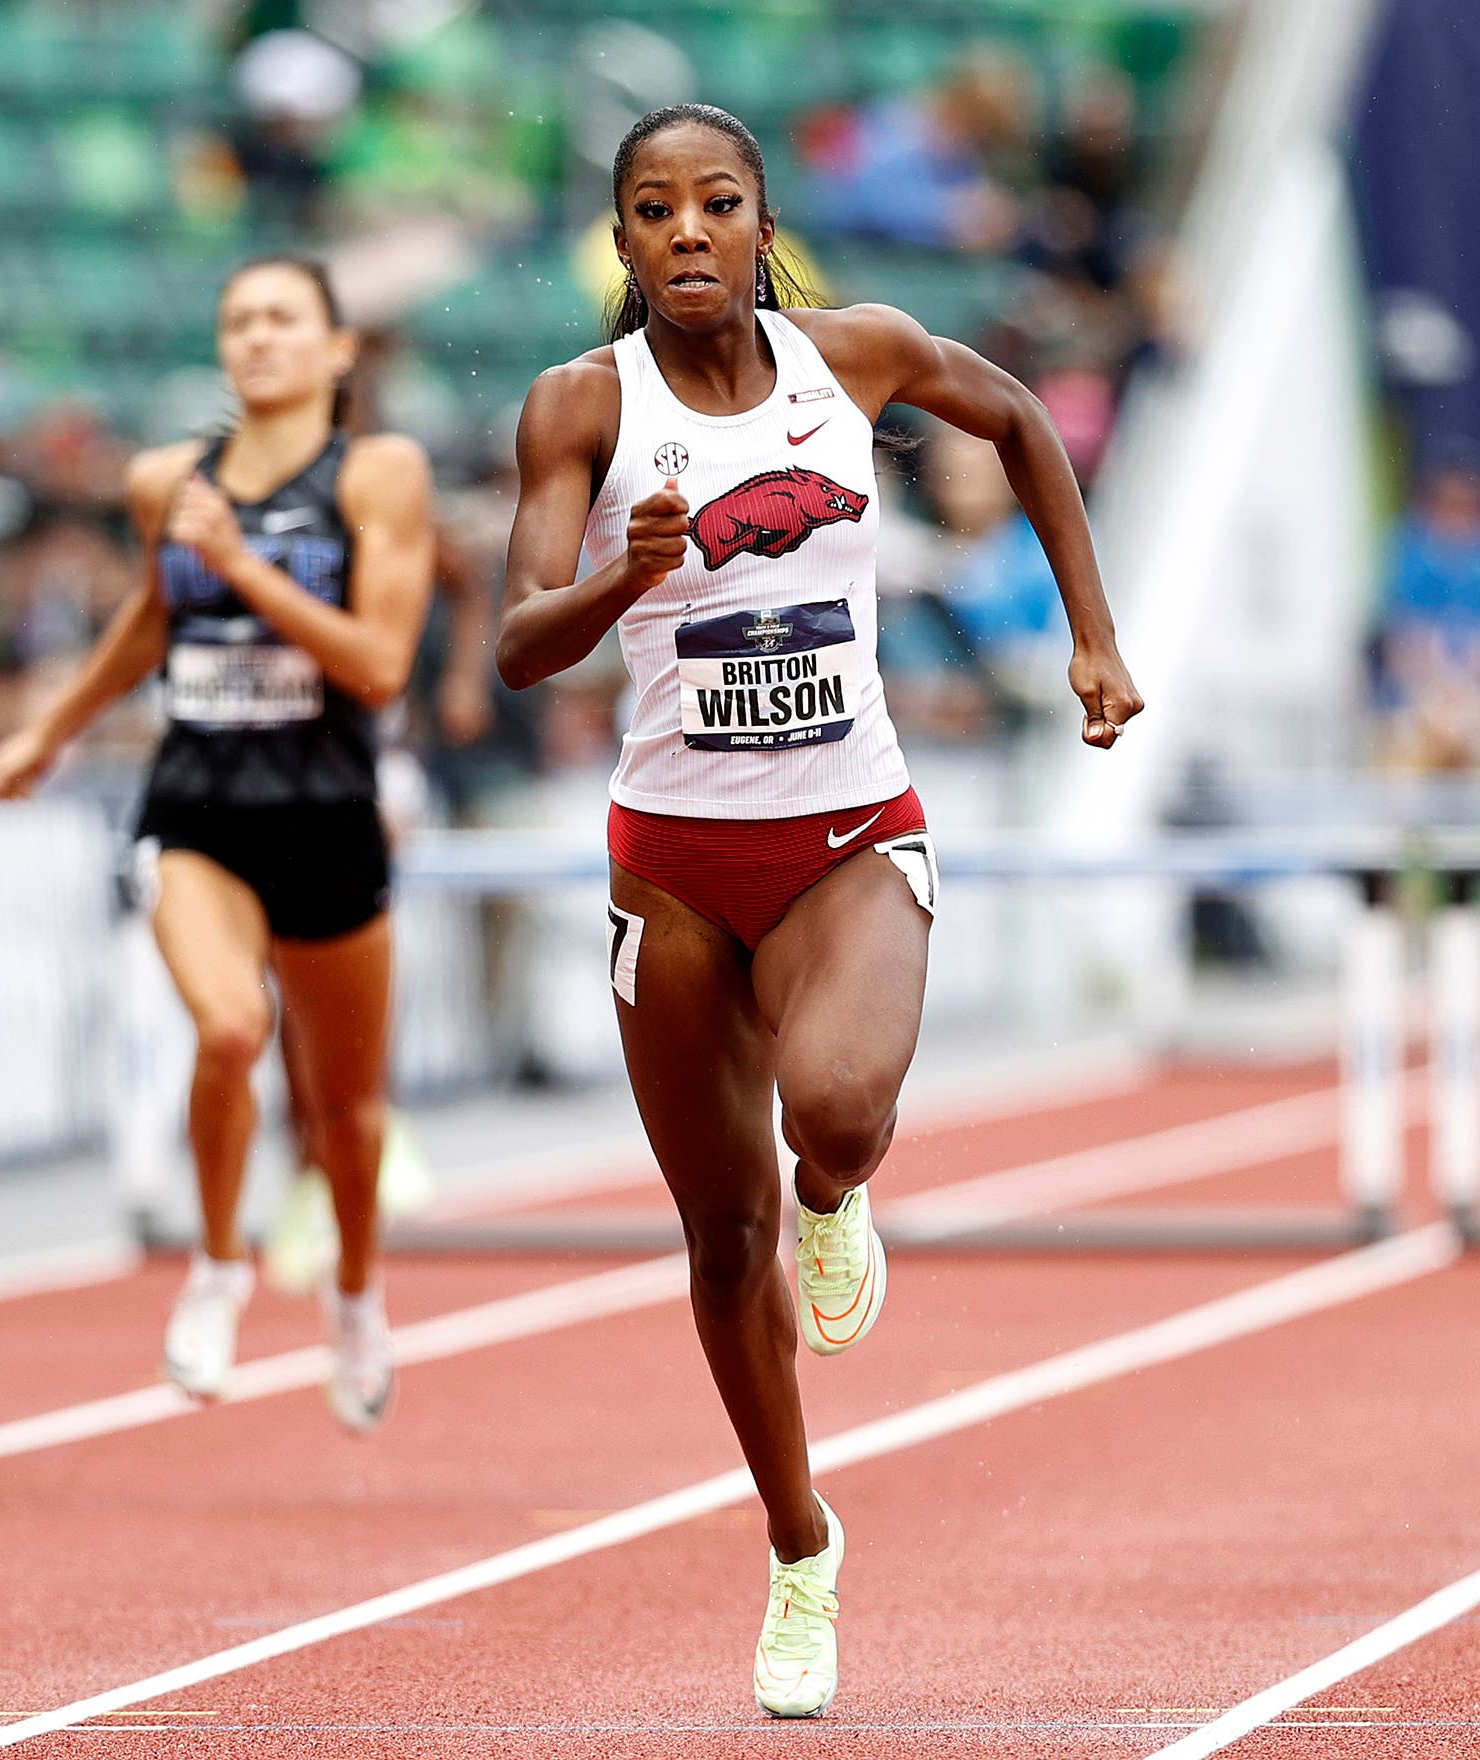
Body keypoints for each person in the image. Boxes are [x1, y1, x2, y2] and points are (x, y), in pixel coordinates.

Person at [495, 103, 1141, 1718]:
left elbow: (1021, 430)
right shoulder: (582, 406)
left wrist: (1094, 638)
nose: (690, 232)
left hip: (850, 829)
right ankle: (799, 1545)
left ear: (763, 222)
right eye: (655, 211)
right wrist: (618, 578)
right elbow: (518, 643)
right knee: (721, 1242)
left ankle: (841, 1192)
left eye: (718, 203)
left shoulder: (855, 358)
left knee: (835, 1112)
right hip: (673, 867)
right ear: (627, 245)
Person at [0, 256, 436, 1433]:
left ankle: (354, 1296)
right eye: (238, 320)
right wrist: (51, 729)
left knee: (346, 1110)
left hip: (327, 808)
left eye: (283, 318)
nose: (257, 338)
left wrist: (241, 564)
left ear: (338, 350)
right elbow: (151, 614)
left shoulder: (380, 475)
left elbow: (379, 665)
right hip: (200, 803)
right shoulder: (164, 481)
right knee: (231, 1028)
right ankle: (219, 1265)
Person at [1375, 443, 1480, 775]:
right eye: (1449, 504)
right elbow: (1400, 640)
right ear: (1431, 504)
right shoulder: (1411, 552)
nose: (1458, 516)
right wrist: (1433, 703)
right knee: (1405, 757)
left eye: (1467, 505)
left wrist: (1477, 706)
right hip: (1417, 699)